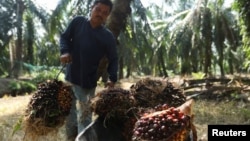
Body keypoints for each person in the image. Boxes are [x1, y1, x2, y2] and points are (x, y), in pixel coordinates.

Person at [59, 0, 118, 140]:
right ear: (92, 8)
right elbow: (64, 37)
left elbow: (113, 59)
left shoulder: (107, 36)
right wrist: (65, 51)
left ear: (108, 16)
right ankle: (71, 138)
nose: (100, 14)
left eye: (105, 13)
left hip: (88, 82)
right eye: (98, 10)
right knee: (69, 113)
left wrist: (112, 78)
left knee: (84, 119)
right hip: (70, 77)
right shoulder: (78, 22)